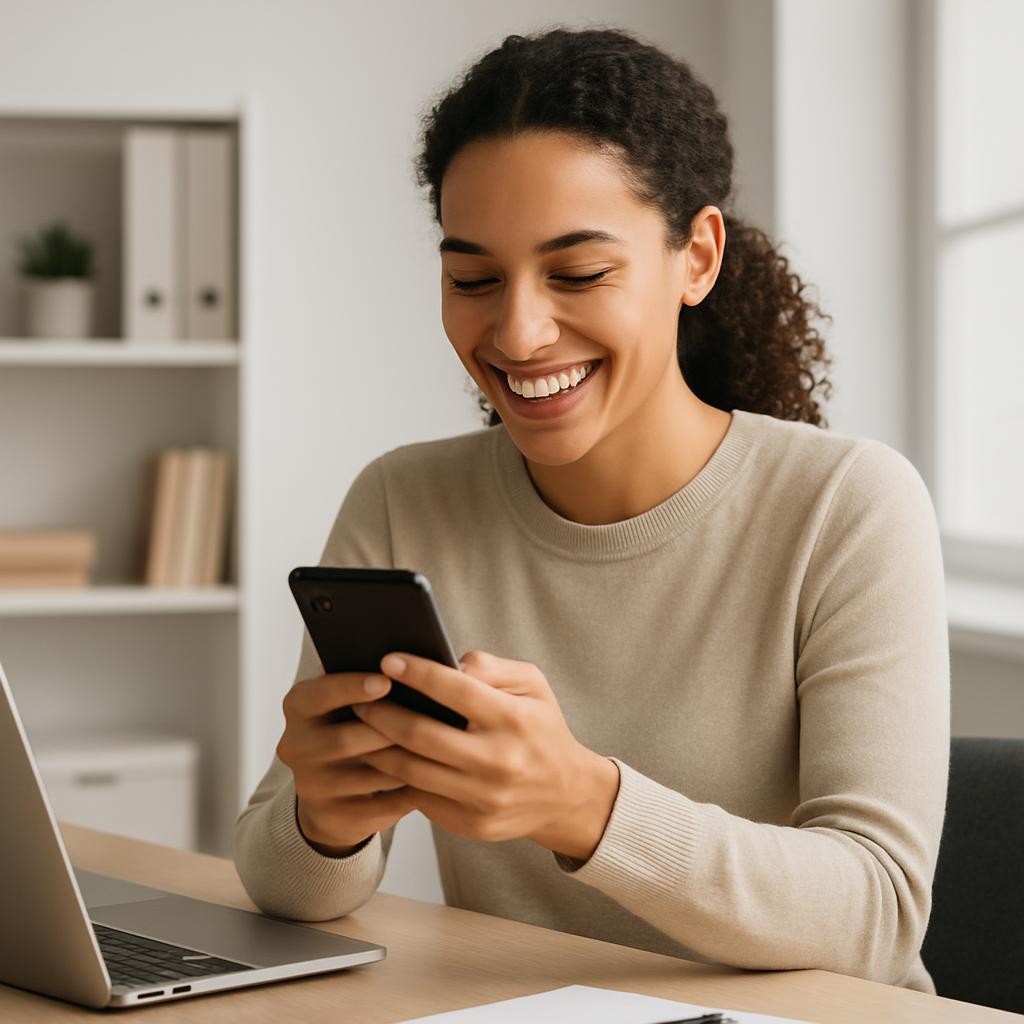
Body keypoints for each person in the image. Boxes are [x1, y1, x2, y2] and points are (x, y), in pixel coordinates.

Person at [234, 27, 949, 994]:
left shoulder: (849, 507)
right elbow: (290, 891)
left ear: (696, 258)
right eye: (472, 278)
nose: (518, 332)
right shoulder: (403, 501)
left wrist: (584, 803)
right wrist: (324, 816)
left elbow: (877, 911)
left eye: (577, 274)